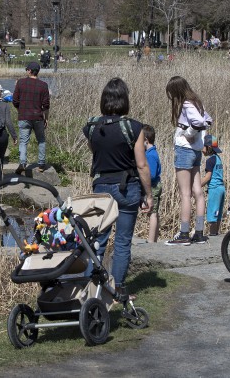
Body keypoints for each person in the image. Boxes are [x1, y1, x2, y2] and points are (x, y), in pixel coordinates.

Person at [83, 78, 152, 297]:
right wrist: (148, 194)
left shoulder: (92, 126)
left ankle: (92, 287)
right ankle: (119, 288)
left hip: (101, 187)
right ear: (125, 100)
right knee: (122, 242)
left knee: (98, 240)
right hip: (126, 188)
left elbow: (94, 152)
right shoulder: (134, 127)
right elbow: (141, 165)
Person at [164, 76, 212, 246]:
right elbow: (208, 120)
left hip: (185, 150)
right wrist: (195, 133)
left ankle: (184, 233)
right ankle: (199, 232)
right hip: (196, 151)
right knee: (198, 191)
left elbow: (199, 122)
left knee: (185, 193)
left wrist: (187, 133)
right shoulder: (197, 102)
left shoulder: (185, 103)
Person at [12, 62, 50, 174]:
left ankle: (23, 162)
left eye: (26, 69)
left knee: (23, 141)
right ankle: (41, 164)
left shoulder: (20, 83)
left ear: (29, 71)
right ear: (37, 71)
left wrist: (20, 110)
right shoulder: (43, 85)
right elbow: (46, 105)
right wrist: (46, 118)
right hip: (38, 117)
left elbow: (15, 100)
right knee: (41, 140)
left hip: (24, 116)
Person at [201, 134, 225, 237]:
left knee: (212, 215)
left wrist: (197, 186)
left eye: (203, 146)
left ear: (208, 147)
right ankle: (215, 233)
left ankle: (212, 235)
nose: (201, 149)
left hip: (214, 189)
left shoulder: (210, 160)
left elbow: (207, 177)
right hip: (221, 189)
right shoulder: (218, 158)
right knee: (217, 214)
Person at [143, 125, 162, 243]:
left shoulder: (150, 155)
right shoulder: (152, 153)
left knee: (153, 213)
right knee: (155, 212)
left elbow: (152, 174)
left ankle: (151, 241)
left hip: (154, 186)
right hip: (155, 185)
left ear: (146, 140)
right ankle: (154, 239)